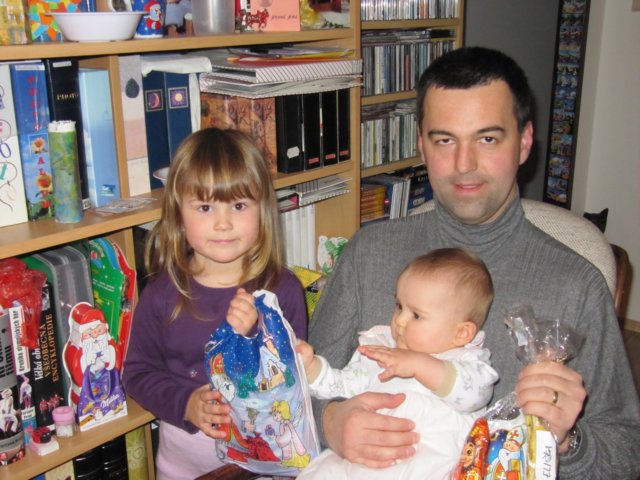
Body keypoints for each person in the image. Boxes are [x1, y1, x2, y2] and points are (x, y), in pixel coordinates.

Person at [308, 46, 640, 479]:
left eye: (487, 139)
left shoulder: (576, 285)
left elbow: (626, 453)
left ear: (524, 142)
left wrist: (566, 440)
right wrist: (330, 423)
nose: (464, 165)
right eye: (445, 140)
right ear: (422, 146)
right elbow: (298, 385)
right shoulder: (368, 254)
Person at [122, 128, 308, 480]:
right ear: (179, 213)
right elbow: (137, 374)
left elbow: (296, 383)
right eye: (205, 207)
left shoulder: (282, 290)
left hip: (265, 465)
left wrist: (260, 337)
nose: (223, 224)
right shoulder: (162, 294)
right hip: (183, 468)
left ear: (263, 210)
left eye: (239, 206)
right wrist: (185, 404)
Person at [297, 248, 499, 479]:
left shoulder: (467, 362)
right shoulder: (381, 350)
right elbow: (342, 387)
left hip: (426, 462)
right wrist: (313, 368)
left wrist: (419, 364)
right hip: (365, 456)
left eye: (416, 315)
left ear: (461, 333)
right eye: (399, 306)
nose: (400, 320)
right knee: (323, 471)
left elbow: (476, 396)